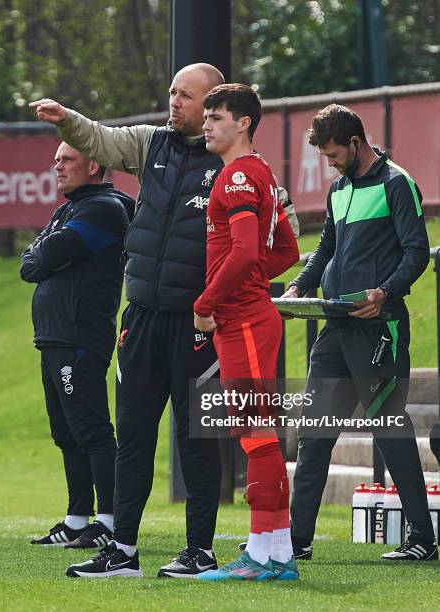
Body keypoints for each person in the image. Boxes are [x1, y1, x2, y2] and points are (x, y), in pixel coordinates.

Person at [29, 63, 299, 579]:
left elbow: (272, 238)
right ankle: (122, 549)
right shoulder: (152, 143)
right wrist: (66, 119)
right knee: (131, 432)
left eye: (187, 96)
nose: (173, 102)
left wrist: (215, 297)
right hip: (143, 315)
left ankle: (201, 549)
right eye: (172, 92)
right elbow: (100, 140)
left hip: (198, 323)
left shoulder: (237, 167)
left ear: (217, 107)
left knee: (199, 439)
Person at [284, 104, 437, 562]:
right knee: (314, 434)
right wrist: (300, 284)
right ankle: (296, 541)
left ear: (355, 143)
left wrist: (386, 292)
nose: (329, 163)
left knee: (389, 430)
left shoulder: (397, 184)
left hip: (379, 330)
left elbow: (416, 253)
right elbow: (326, 246)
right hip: (335, 327)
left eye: (333, 154)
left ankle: (422, 541)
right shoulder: (339, 189)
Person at [190, 84, 299, 581]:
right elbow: (286, 252)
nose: (207, 124)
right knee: (259, 436)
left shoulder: (237, 175)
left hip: (244, 320)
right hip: (250, 317)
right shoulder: (261, 173)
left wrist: (206, 302)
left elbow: (244, 252)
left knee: (258, 438)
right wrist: (248, 278)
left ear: (243, 124)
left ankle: (259, 558)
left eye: (216, 117)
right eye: (206, 116)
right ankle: (277, 555)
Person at [21, 142, 134, 550]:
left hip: (79, 335)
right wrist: (44, 256)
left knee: (91, 429)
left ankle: (109, 519)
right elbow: (29, 265)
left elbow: (46, 253)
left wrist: (45, 255)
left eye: (66, 159)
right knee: (66, 432)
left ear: (92, 164)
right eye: (55, 159)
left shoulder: (104, 208)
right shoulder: (67, 209)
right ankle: (76, 519)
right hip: (53, 337)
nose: (57, 166)